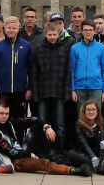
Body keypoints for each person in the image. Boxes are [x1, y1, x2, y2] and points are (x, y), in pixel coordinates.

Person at [0, 102, 93, 176]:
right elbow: (9, 151)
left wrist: (46, 126)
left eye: (6, 113)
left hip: (22, 151)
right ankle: (74, 170)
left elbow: (33, 119)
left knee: (37, 127)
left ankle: (52, 155)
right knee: (43, 163)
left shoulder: (9, 123)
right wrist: (28, 154)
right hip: (14, 161)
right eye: (1, 113)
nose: (4, 116)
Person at [32, 22, 72, 156]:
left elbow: (68, 72)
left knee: (60, 125)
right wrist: (35, 93)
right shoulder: (38, 49)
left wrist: (67, 93)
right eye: (49, 35)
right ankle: (44, 150)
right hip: (43, 92)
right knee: (43, 124)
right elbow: (34, 73)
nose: (52, 37)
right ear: (45, 34)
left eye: (54, 34)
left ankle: (60, 152)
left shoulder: (64, 49)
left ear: (58, 34)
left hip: (59, 92)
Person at [0, 16, 34, 119]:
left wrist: (29, 89)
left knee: (19, 119)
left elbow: (31, 70)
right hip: (3, 90)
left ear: (18, 29)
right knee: (3, 117)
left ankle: (18, 136)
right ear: (4, 28)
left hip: (20, 90)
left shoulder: (26, 46)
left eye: (14, 28)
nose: (11, 30)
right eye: (9, 28)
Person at [67, 100, 104, 175]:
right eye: (88, 110)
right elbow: (83, 144)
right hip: (85, 154)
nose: (91, 112)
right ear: (84, 111)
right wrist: (93, 158)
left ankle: (101, 165)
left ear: (97, 111)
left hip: (100, 152)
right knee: (70, 153)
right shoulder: (78, 125)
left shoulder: (102, 122)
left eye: (93, 110)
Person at [71, 20, 104, 109]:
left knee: (95, 114)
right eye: (85, 30)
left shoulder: (101, 48)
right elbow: (72, 70)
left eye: (90, 30)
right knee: (81, 115)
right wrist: (73, 89)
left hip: (96, 88)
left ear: (94, 31)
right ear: (81, 31)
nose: (88, 32)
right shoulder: (75, 48)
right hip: (80, 88)